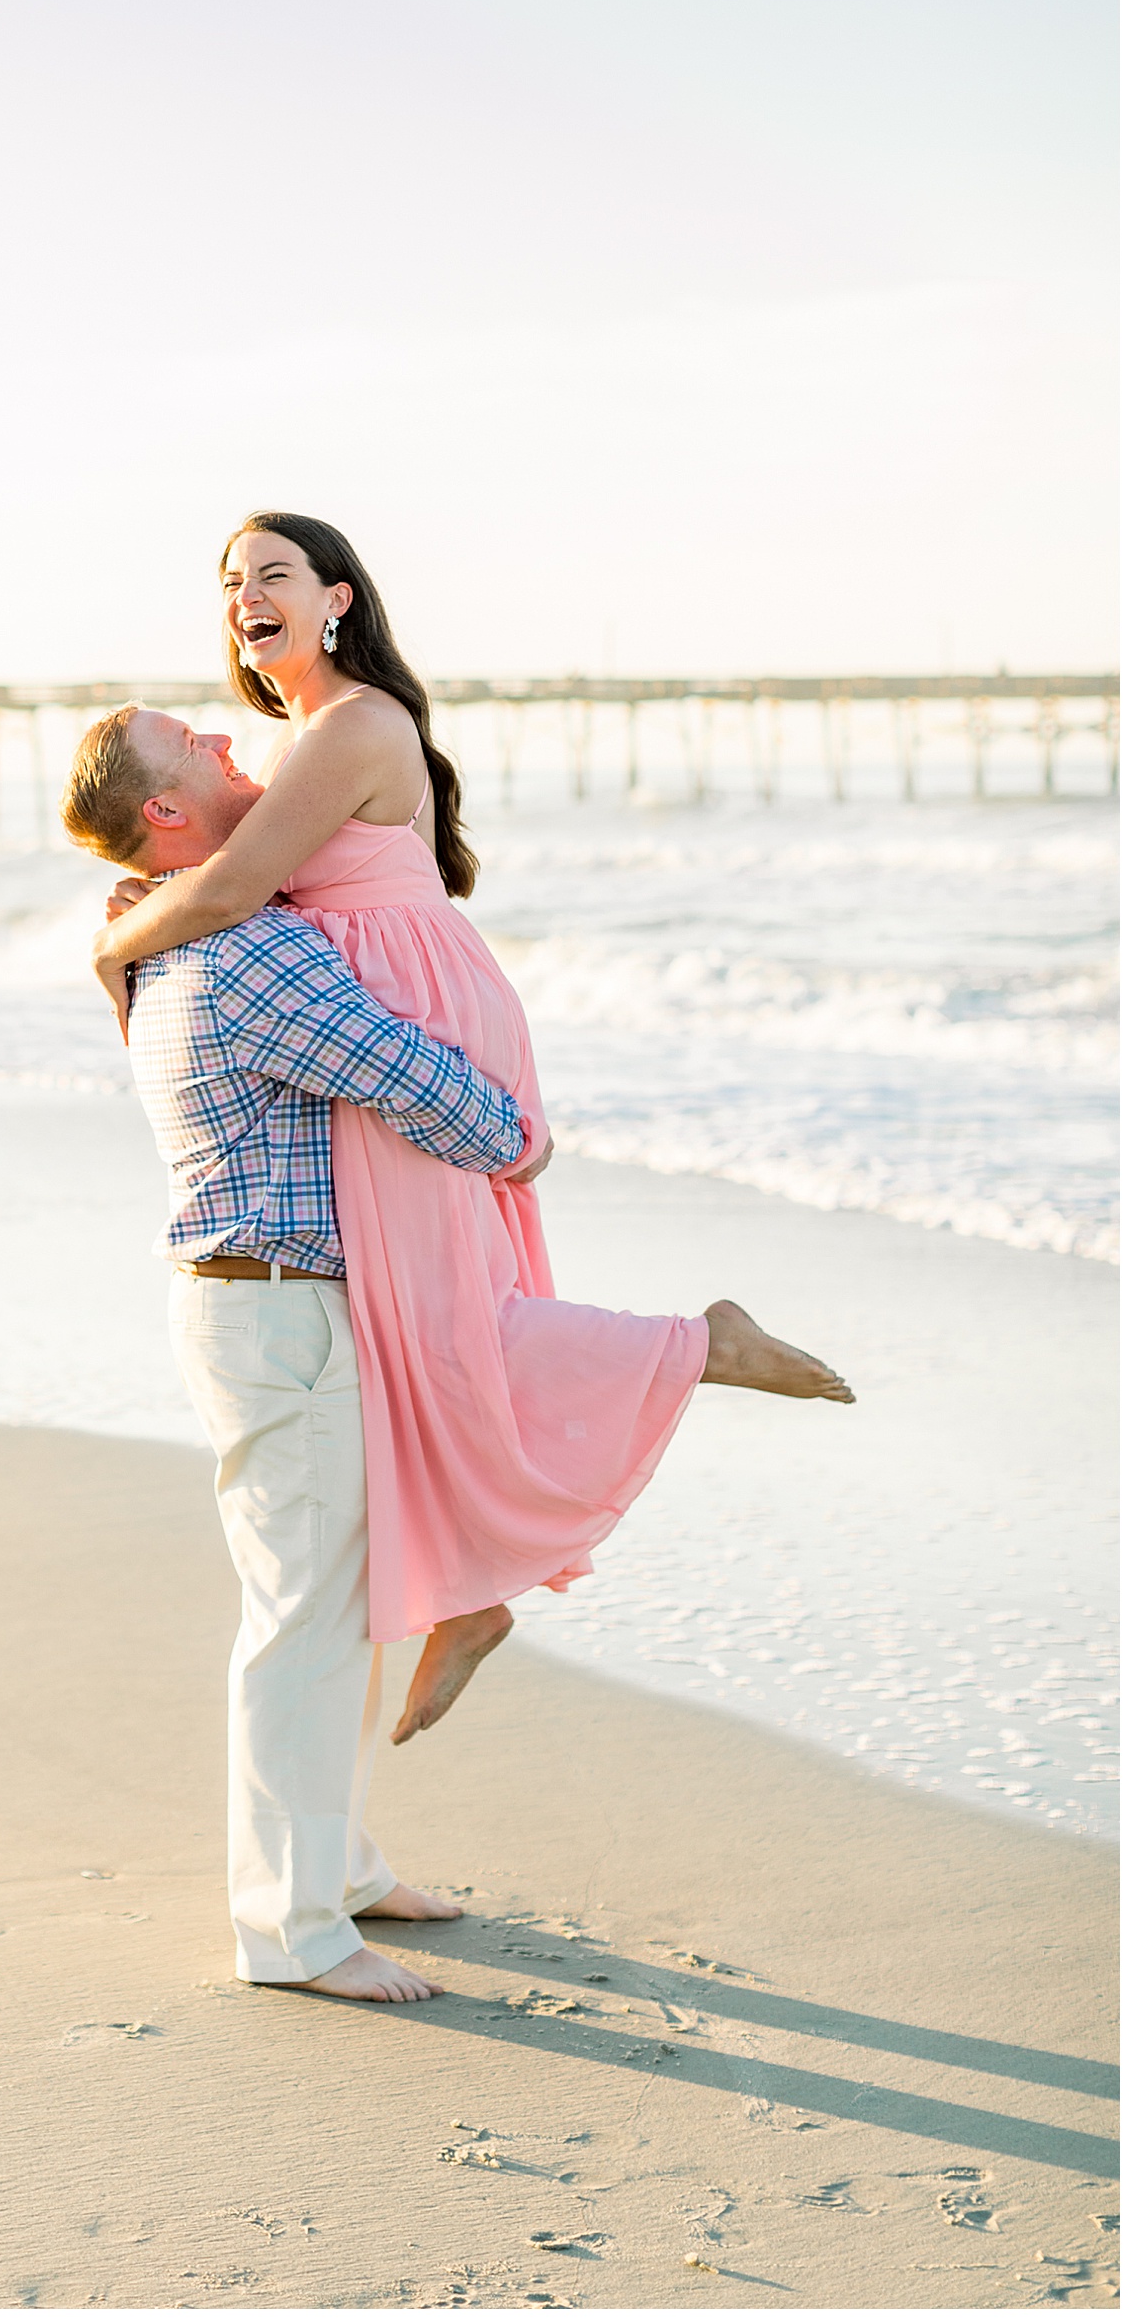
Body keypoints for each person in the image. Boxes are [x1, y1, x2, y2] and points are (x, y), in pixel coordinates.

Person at [82, 513, 854, 1751]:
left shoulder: (350, 724)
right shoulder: (297, 739)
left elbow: (228, 893)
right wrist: (161, 892)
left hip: (412, 1007)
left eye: (273, 574)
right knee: (408, 1320)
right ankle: (475, 1589)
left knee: (436, 1316)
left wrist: (114, 945)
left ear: (334, 598)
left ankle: (693, 1347)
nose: (246, 595)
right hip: (379, 998)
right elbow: (239, 884)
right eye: (232, 582)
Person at [62, 703, 543, 2000]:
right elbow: (409, 1074)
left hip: (260, 1304)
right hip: (280, 1312)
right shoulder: (249, 955)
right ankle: (291, 1928)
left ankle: (336, 1865)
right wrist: (518, 1136)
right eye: (199, 753)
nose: (237, 754)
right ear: (169, 815)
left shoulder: (173, 944)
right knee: (303, 1621)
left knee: (331, 1607)